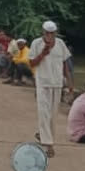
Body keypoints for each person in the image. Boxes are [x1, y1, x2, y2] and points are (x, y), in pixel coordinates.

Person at [29, 20, 73, 157]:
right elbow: (32, 62)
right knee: (43, 112)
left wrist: (70, 83)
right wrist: (43, 53)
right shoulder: (36, 43)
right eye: (47, 33)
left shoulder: (60, 43)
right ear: (43, 32)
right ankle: (48, 144)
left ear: (55, 32)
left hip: (57, 83)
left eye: (52, 33)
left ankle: (46, 137)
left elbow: (65, 64)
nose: (49, 35)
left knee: (53, 114)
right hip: (42, 82)